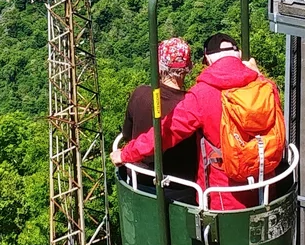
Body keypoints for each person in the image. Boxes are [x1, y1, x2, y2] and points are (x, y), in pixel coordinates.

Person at [110, 33, 285, 210]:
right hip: (265, 185)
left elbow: (165, 133)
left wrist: (125, 154)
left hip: (223, 195)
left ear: (208, 60)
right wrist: (258, 74)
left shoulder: (202, 95)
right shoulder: (265, 86)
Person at [119, 37, 199, 201]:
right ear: (189, 67)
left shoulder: (140, 94)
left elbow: (127, 135)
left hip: (139, 183)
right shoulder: (190, 105)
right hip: (182, 190)